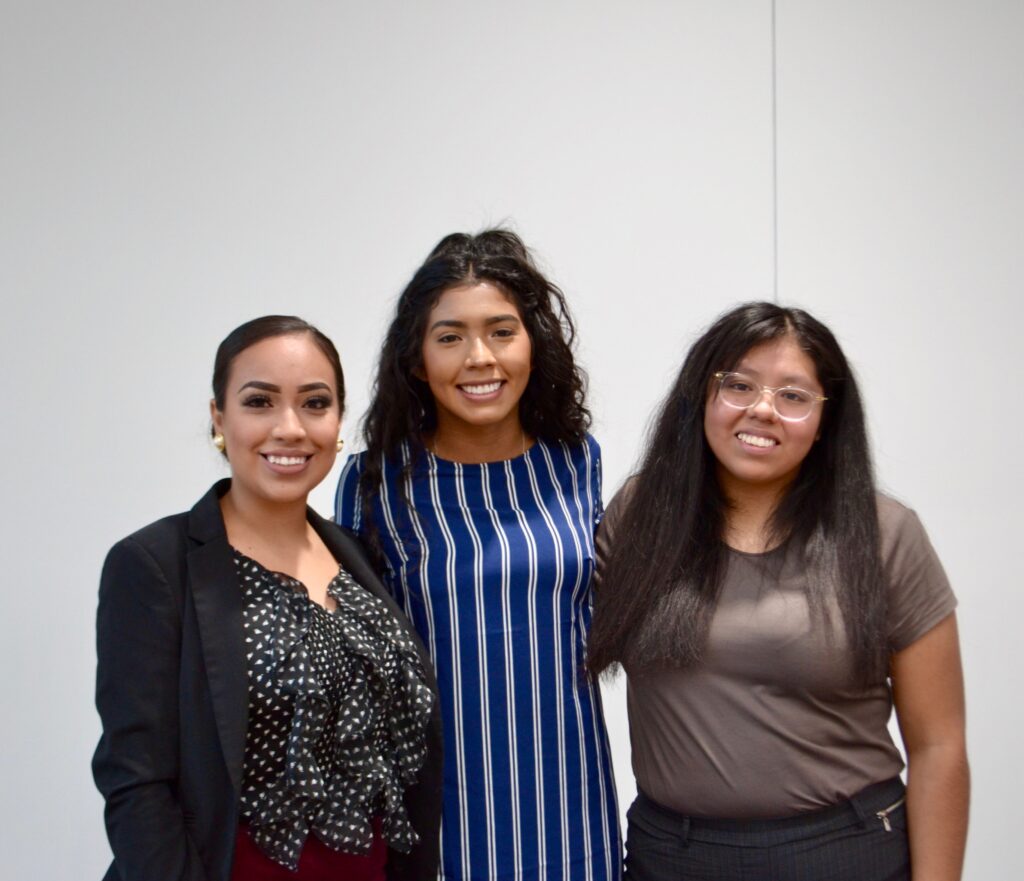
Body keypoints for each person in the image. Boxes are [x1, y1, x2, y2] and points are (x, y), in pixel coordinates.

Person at [589, 302, 969, 881]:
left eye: (793, 396)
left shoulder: (884, 533)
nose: (762, 409)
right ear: (701, 396)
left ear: (826, 418)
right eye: (739, 385)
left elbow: (940, 745)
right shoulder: (641, 516)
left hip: (844, 850)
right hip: (671, 854)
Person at [93, 316, 442, 881]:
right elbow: (136, 782)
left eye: (314, 403)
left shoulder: (359, 558)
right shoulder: (157, 565)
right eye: (259, 402)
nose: (290, 428)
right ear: (218, 419)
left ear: (337, 422)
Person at [336, 230, 621, 881]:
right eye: (449, 336)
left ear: (533, 344)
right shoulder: (377, 481)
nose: (479, 358)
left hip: (570, 799)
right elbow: (353, 670)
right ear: (416, 359)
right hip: (442, 813)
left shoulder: (577, 462)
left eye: (501, 331)